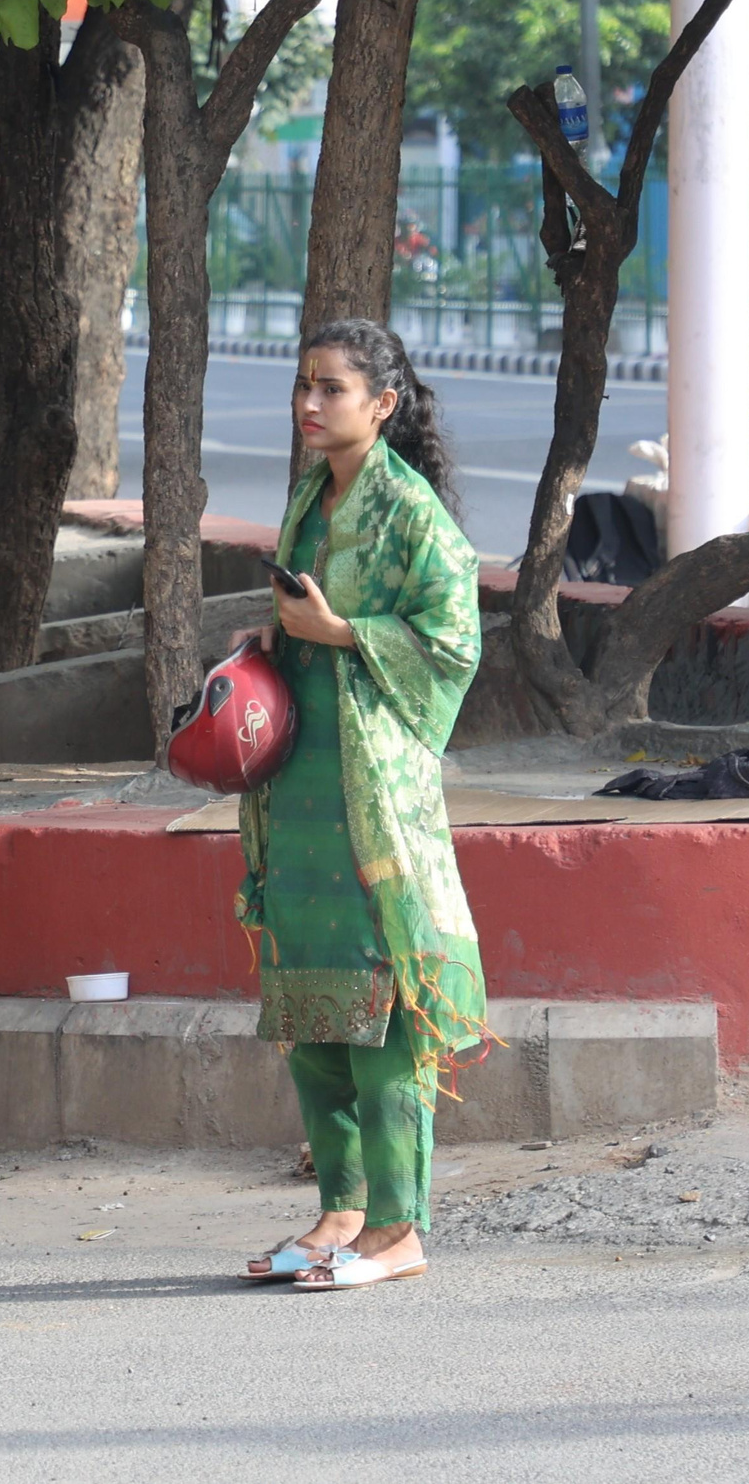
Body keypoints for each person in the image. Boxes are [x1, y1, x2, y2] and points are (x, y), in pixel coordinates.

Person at [228, 317, 489, 1292]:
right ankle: (340, 1207)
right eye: (302, 385)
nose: (307, 403)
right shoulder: (307, 496)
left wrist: (341, 631)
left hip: (370, 794)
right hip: (295, 790)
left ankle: (398, 1225)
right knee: (311, 1005)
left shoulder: (412, 515)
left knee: (382, 1012)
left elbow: (453, 643)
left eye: (329, 388)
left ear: (380, 404)